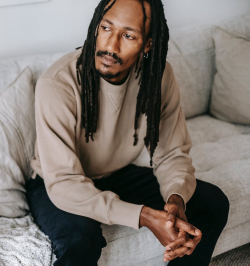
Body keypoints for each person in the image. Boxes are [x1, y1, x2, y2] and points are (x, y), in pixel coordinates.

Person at [27, 0, 230, 265]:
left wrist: (176, 199)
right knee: (80, 239)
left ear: (147, 44)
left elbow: (171, 153)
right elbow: (63, 182)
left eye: (128, 35)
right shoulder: (58, 83)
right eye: (106, 28)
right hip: (56, 181)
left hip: (115, 174)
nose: (111, 46)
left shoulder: (157, 76)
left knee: (212, 202)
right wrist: (143, 215)